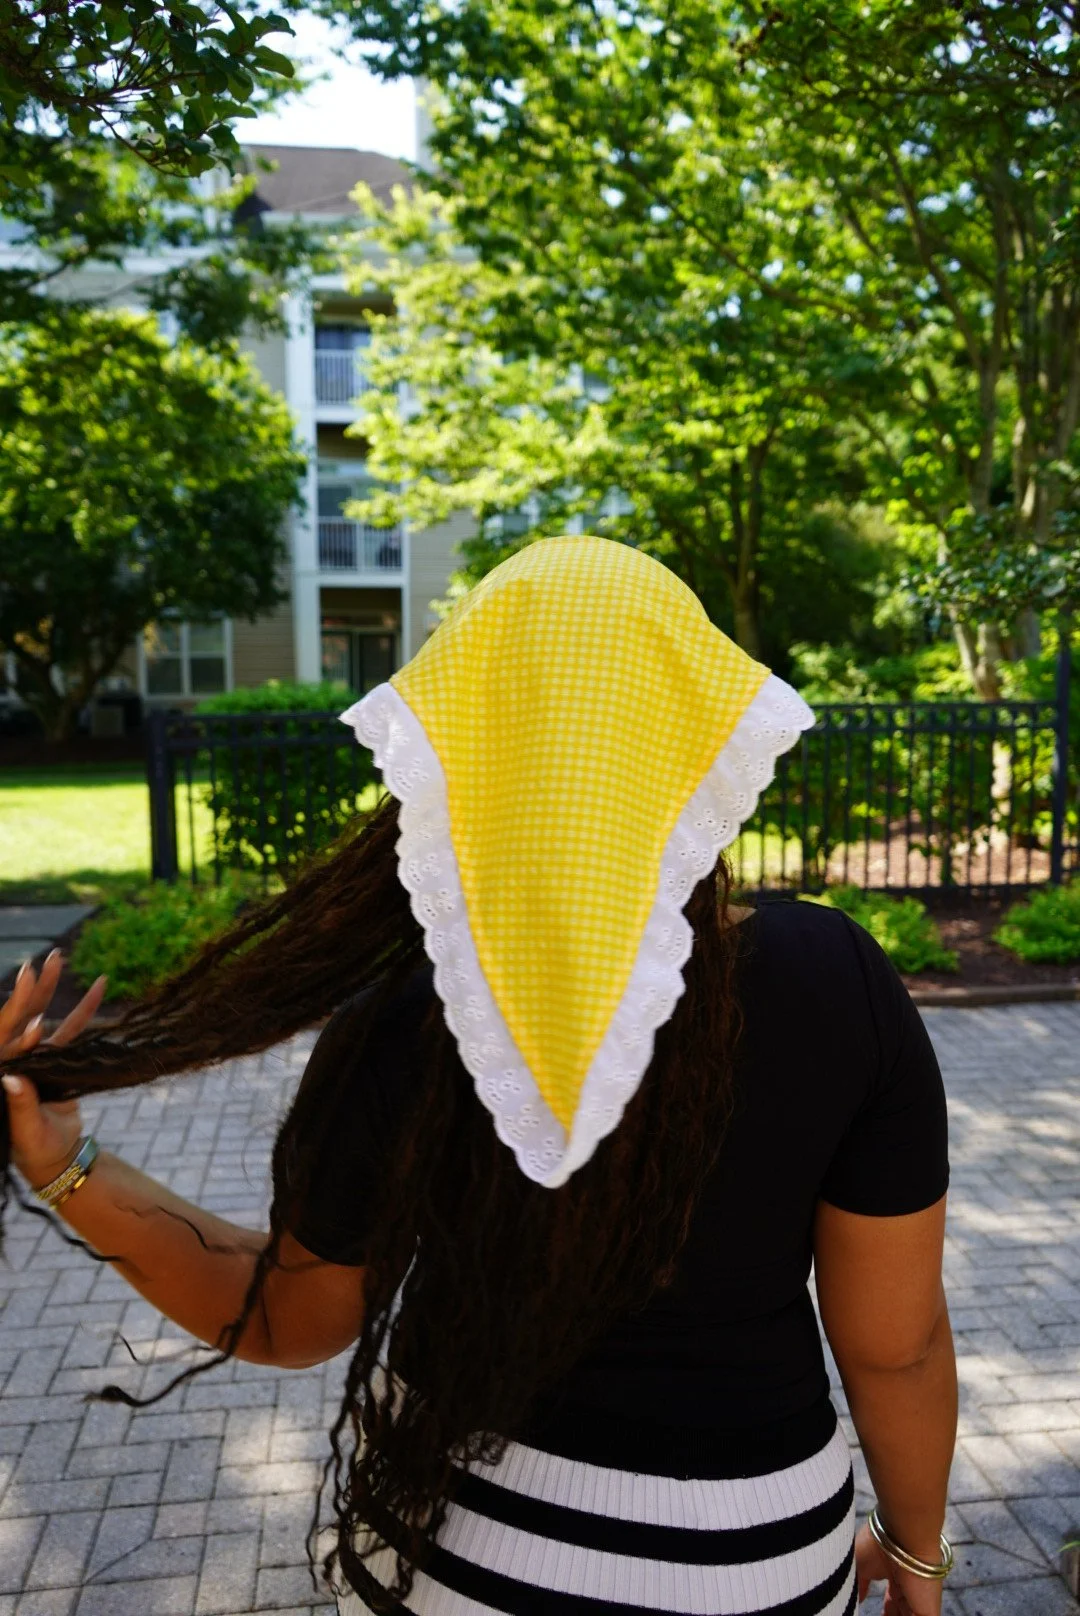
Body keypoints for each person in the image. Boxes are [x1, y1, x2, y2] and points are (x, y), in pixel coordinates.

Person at [0, 536, 955, 1616]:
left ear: (466, 740)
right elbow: (898, 1347)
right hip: (763, 1559)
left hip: (454, 1556)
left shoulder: (409, 1015)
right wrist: (916, 1555)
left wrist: (66, 1165)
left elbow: (285, 1318)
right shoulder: (837, 980)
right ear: (696, 734)